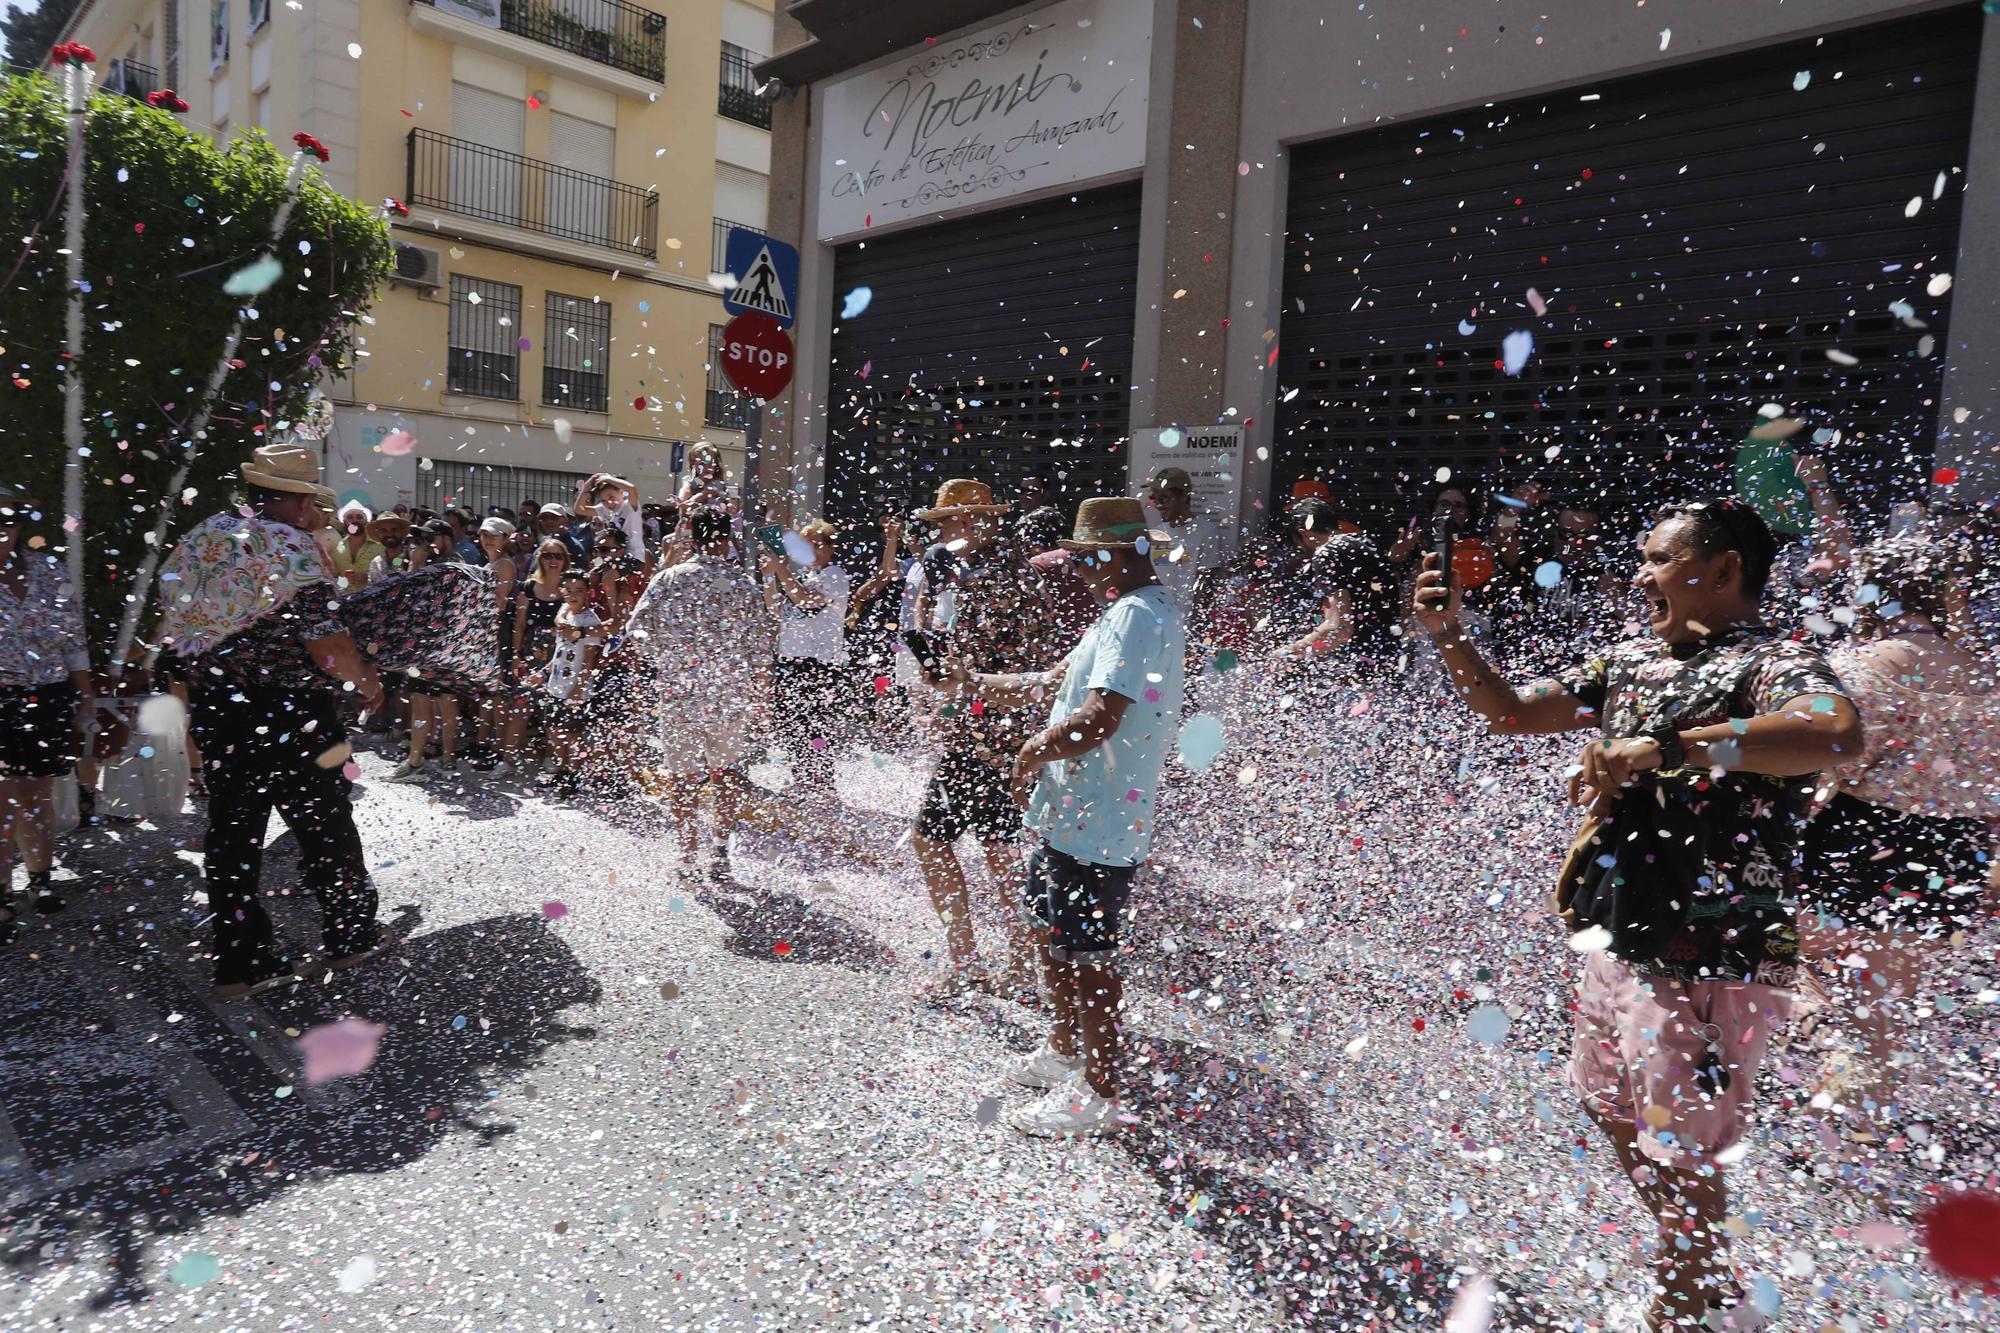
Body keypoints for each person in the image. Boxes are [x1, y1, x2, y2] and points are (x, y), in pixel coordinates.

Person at [1412, 496, 1860, 1332]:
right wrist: (1450, 637)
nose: (1641, 573)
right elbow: (1510, 710)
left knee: (1682, 1148)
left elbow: (1834, 732)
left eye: (1660, 558)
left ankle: (1687, 1308)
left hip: (1710, 955)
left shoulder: (1771, 661)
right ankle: (1708, 1277)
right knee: (1611, 1106)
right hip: (1620, 943)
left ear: (1725, 569)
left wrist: (1676, 744)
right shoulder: (1628, 661)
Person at [948, 497, 1186, 1136]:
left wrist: (1032, 750)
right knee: (1052, 932)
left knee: (1089, 954)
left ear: (1120, 551)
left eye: (1084, 558)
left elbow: (1100, 717)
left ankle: (1098, 1094)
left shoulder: (1138, 617)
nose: (1076, 569)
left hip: (1101, 817)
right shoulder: (1121, 611)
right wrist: (973, 683)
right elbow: (1053, 681)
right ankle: (1062, 1050)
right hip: (1072, 811)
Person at [156, 444, 386, 999]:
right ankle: (350, 932)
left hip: (220, 706)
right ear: (296, 502)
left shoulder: (203, 536)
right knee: (325, 823)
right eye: (310, 500)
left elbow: (172, 614)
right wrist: (367, 681)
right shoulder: (293, 547)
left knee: (232, 833)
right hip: (293, 709)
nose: (313, 512)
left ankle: (242, 963)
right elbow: (328, 646)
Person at [1796, 533, 2000, 1134]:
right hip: (1953, 851)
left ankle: (1827, 1089)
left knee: (1778, 956)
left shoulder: (1854, 668)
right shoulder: (1986, 676)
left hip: (1863, 839)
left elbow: (1833, 764)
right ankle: (1849, 1130)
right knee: (1880, 1013)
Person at [909, 478, 1060, 1001]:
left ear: (974, 521)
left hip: (985, 733)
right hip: (1010, 731)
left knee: (939, 841)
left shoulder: (983, 579)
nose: (945, 532)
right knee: (998, 849)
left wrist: (942, 676)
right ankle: (1008, 965)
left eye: (949, 522)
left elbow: (972, 668)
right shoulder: (1017, 570)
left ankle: (977, 962)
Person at [623, 508, 774, 882]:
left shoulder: (667, 580)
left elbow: (636, 631)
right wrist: (760, 694)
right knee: (725, 773)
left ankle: (688, 853)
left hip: (680, 694)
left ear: (691, 538)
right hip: (729, 695)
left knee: (683, 777)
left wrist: (664, 653)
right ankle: (720, 847)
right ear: (726, 540)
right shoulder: (744, 585)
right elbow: (761, 648)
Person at [0, 486, 95, 933]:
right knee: (1, 799)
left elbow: (74, 641)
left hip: (47, 697)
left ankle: (40, 879)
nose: (2, 534)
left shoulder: (50, 571)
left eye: (7, 525)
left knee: (37, 794)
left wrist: (86, 697)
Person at [759, 519, 854, 809]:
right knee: (790, 724)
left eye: (818, 542)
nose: (812, 548)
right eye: (807, 542)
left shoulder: (834, 575)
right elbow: (775, 608)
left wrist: (780, 569)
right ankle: (803, 778)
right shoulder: (803, 575)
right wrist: (769, 577)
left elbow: (807, 602)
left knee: (815, 725)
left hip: (818, 662)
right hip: (791, 659)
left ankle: (822, 783)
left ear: (830, 548)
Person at [528, 572, 604, 798]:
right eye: (569, 590)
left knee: (573, 736)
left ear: (587, 593)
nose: (573, 595)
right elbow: (559, 652)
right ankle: (560, 771)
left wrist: (579, 689)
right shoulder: (564, 616)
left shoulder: (590, 621)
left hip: (575, 688)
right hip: (557, 685)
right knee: (555, 732)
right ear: (562, 591)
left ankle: (574, 774)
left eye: (579, 590)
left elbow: (590, 661)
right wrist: (542, 674)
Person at [1142, 467, 1226, 607]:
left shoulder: (1206, 532)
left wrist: (1195, 621)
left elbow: (1206, 584)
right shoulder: (1156, 534)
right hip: (1156, 618)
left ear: (1184, 496)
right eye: (1154, 499)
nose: (1159, 505)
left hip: (1185, 621)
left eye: (1164, 498)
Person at [575, 472, 646, 561]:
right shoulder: (604, 509)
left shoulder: (629, 506)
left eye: (611, 497)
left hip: (634, 556)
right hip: (613, 557)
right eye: (603, 500)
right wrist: (586, 488)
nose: (609, 503)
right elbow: (580, 509)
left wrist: (608, 479)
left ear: (621, 492)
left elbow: (632, 489)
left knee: (610, 575)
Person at [329, 502, 383, 592]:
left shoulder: (380, 546)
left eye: (359, 517)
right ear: (344, 521)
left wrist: (369, 578)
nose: (355, 521)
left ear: (366, 521)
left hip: (373, 600)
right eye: (350, 517)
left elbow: (393, 569)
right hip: (344, 601)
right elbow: (333, 578)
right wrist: (343, 582)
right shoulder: (336, 548)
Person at [365, 511, 415, 584]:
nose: (389, 534)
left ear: (401, 532)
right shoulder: (376, 563)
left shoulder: (412, 557)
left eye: (394, 530)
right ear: (378, 534)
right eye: (383, 530)